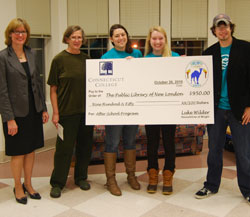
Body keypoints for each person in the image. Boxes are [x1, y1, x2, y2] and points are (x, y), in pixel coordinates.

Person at [195, 14, 250, 204]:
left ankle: (248, 189)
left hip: (240, 110)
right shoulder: (208, 53)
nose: (222, 30)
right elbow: (202, 85)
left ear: (231, 28)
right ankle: (211, 185)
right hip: (216, 110)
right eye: (218, 27)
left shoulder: (246, 48)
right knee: (214, 150)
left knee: (243, 152)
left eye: (225, 26)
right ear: (214, 31)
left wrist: (249, 106)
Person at [0, 18, 49, 204]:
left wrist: (43, 108)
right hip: (15, 114)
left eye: (23, 32)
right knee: (18, 152)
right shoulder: (3, 57)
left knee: (31, 151)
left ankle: (28, 184)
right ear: (10, 35)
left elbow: (37, 82)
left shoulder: (31, 53)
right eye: (17, 32)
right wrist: (9, 119)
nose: (20, 35)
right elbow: (2, 91)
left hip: (34, 111)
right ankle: (18, 186)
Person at [47, 25, 94, 198]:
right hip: (66, 113)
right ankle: (57, 182)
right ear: (67, 39)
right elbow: (53, 89)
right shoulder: (58, 60)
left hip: (86, 113)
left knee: (84, 147)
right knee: (64, 150)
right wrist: (55, 113)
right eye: (73, 37)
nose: (77, 40)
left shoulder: (87, 59)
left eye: (79, 37)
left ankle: (81, 178)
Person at [101, 24, 142, 196]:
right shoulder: (106, 57)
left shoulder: (137, 54)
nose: (120, 38)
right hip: (115, 109)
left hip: (132, 106)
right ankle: (110, 179)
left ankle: (131, 175)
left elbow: (145, 76)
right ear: (111, 39)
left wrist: (135, 65)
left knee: (130, 142)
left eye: (123, 35)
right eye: (116, 36)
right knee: (112, 143)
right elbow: (103, 84)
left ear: (127, 36)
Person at [144, 26, 179, 195]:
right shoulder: (144, 59)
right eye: (154, 39)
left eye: (160, 38)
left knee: (169, 143)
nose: (157, 42)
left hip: (170, 109)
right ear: (149, 41)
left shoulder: (176, 58)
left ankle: (168, 174)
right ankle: (152, 174)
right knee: (151, 144)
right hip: (151, 110)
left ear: (165, 40)